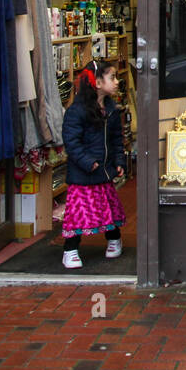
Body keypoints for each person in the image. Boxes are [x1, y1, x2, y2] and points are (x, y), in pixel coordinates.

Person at [59, 59, 127, 269]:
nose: (116, 82)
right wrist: (88, 163)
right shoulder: (77, 111)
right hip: (84, 173)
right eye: (112, 77)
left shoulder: (111, 109)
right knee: (79, 213)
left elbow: (117, 139)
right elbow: (71, 142)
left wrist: (119, 160)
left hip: (104, 170)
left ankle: (114, 239)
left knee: (108, 208)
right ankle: (70, 250)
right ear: (97, 83)